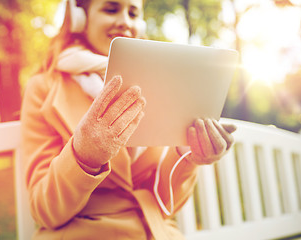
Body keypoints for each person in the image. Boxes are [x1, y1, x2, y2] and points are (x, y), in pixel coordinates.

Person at [20, 0, 236, 239]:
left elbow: (165, 206)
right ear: (80, 17)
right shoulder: (43, 87)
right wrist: (84, 154)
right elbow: (44, 211)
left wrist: (188, 154)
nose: (125, 21)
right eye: (111, 9)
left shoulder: (157, 82)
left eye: (133, 13)